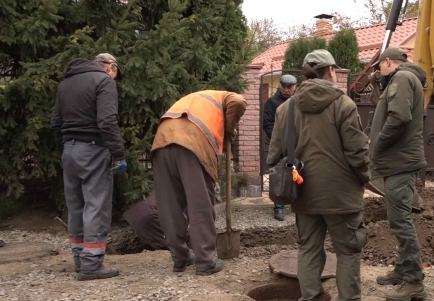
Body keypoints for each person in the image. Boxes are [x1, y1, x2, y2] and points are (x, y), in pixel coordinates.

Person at [266, 49, 371, 301]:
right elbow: (358, 153)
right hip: (342, 196)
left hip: (303, 194)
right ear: (331, 71)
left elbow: (273, 156)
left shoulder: (285, 108)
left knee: (309, 250)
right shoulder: (344, 104)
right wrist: (364, 178)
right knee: (348, 251)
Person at [150, 90, 246, 276]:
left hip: (161, 143)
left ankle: (180, 258)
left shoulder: (193, 99)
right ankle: (205, 261)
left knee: (170, 206)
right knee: (199, 204)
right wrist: (230, 128)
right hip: (191, 142)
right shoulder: (224, 96)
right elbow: (239, 100)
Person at [51, 53, 127, 281]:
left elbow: (55, 121)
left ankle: (78, 260)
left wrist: (63, 148)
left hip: (69, 151)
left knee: (76, 206)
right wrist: (118, 154)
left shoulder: (66, 83)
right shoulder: (104, 81)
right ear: (110, 68)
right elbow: (106, 121)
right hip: (93, 150)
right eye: (115, 73)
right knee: (96, 205)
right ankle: (91, 265)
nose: (114, 78)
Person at [368, 47, 428, 301]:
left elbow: (399, 117)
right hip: (399, 161)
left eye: (379, 67)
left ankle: (414, 281)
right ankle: (403, 269)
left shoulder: (402, 78)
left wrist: (378, 144)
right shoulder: (402, 80)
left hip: (399, 161)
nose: (378, 72)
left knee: (401, 221)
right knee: (397, 218)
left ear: (388, 62)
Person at [263, 74, 298, 221]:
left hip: (296, 145)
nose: (286, 90)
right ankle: (279, 208)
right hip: (279, 144)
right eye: (283, 86)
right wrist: (279, 139)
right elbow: (268, 124)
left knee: (298, 174)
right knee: (279, 176)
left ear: (295, 87)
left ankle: (298, 205)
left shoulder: (299, 102)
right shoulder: (272, 102)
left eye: (289, 87)